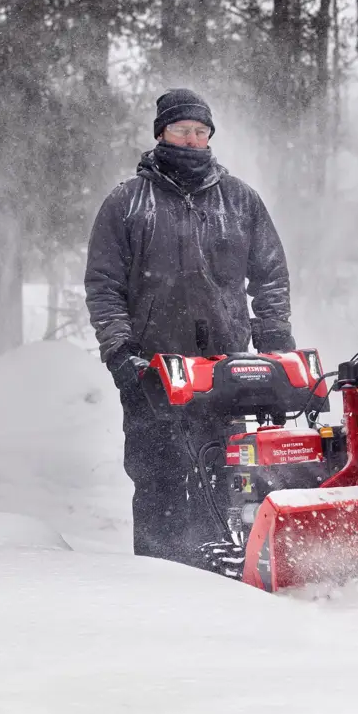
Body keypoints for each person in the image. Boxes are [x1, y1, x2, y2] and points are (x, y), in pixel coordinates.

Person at [85, 88, 295, 565]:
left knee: (223, 473)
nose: (192, 140)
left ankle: (216, 574)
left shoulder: (240, 200)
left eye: (201, 132)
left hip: (224, 369)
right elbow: (103, 285)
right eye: (182, 130)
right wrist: (121, 354)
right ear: (161, 133)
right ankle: (158, 576)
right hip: (151, 369)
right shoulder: (128, 203)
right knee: (158, 474)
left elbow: (270, 276)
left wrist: (276, 341)